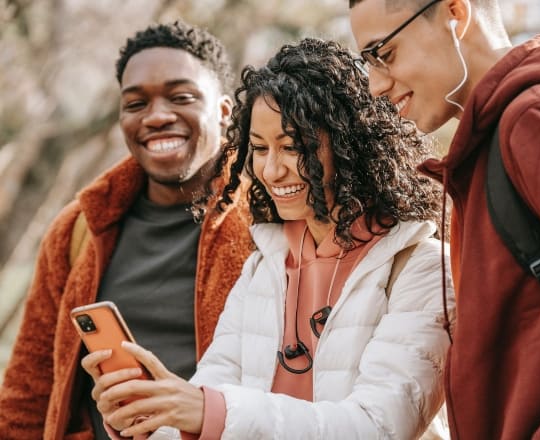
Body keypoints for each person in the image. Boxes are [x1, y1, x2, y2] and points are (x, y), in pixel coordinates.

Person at [81, 37, 455, 439]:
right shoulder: (266, 265)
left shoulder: (422, 267)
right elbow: (210, 399)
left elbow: (377, 427)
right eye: (259, 148)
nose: (272, 170)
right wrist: (148, 418)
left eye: (293, 147)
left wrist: (207, 410)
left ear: (351, 145)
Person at [349, 0, 540, 438]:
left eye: (384, 53)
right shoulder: (489, 146)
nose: (375, 85)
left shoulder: (536, 122)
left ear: (456, 14)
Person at [0, 21, 252, 439]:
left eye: (181, 97)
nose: (157, 116)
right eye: (136, 104)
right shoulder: (79, 228)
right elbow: (29, 391)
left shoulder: (270, 221)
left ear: (224, 112)